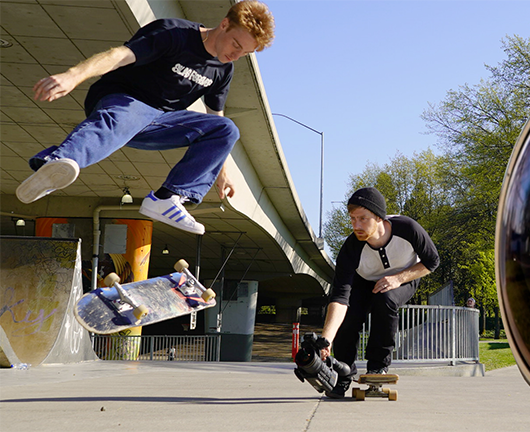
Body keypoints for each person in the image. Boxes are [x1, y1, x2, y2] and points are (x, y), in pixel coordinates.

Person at [15, 1, 275, 235]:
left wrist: (221, 173)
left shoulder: (223, 70)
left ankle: (167, 198)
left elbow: (215, 116)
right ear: (225, 24)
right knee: (129, 115)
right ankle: (58, 162)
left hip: (158, 123)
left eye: (245, 53)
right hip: (121, 99)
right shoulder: (173, 34)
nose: (235, 55)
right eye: (236, 45)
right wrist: (73, 75)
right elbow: (119, 56)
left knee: (228, 129)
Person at [319, 187, 439, 398]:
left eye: (363, 219)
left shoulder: (408, 228)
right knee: (349, 315)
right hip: (364, 281)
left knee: (386, 299)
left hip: (406, 277)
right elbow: (339, 298)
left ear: (379, 218)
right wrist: (326, 339)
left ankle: (378, 367)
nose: (357, 225)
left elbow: (432, 261)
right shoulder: (350, 249)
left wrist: (398, 278)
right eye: (353, 219)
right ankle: (344, 373)